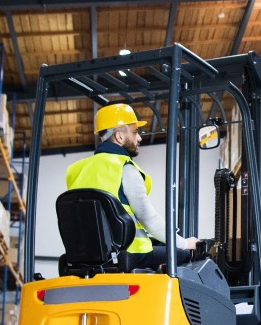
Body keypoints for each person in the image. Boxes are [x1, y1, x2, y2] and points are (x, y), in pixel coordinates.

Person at [66, 102, 198, 270]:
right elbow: (148, 218)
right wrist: (185, 244)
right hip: (130, 253)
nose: (139, 138)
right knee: (188, 256)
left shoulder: (75, 170)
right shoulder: (124, 167)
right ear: (119, 137)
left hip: (88, 257)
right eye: (135, 132)